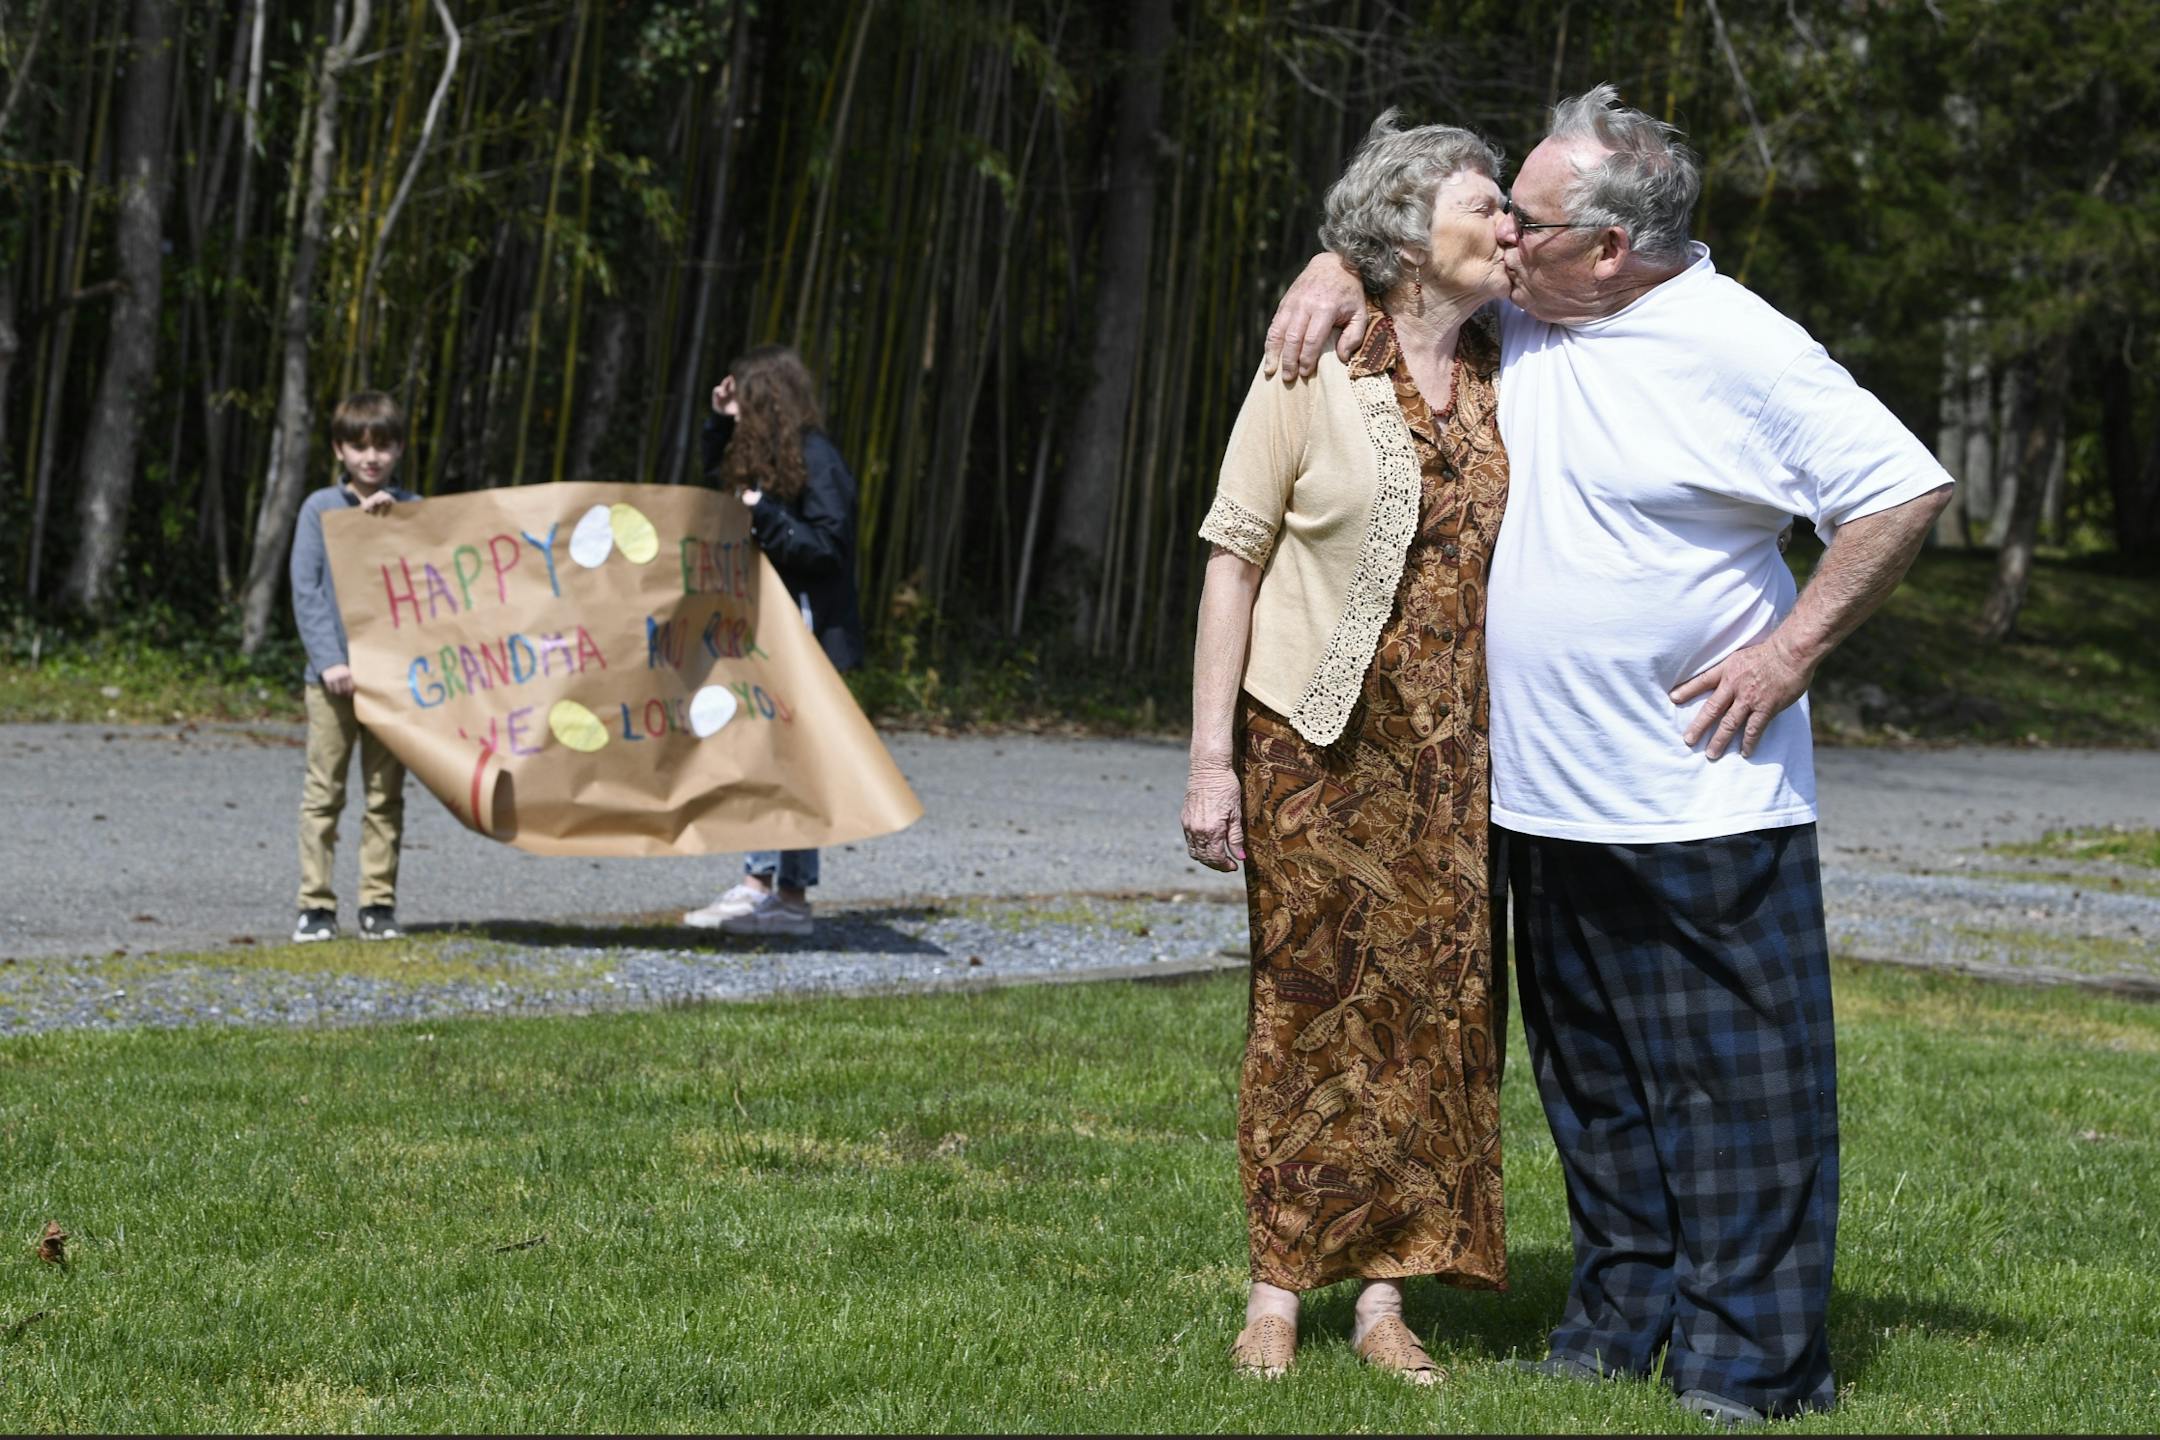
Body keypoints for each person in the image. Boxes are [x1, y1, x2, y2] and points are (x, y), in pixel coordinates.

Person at [1263, 85, 1954, 1424]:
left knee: (1743, 1099)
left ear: (1612, 248)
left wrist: (1790, 653)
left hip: (1699, 796)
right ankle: (1617, 1318)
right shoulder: (1530, 305)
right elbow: (1415, 260)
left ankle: (1752, 1365)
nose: (1504, 237)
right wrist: (1333, 261)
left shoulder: (1738, 345)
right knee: (1597, 1095)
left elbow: (1900, 486)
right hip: (1543, 800)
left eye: (1529, 218)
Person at [1181, 112, 1518, 1385]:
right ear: (1404, 232)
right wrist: (1209, 762)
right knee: (1308, 1014)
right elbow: (1233, 560)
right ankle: (1277, 1287)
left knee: (1436, 1022)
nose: (1508, 225)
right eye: (1483, 205)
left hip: (1461, 760)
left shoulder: (1509, 360)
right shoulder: (1307, 360)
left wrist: (1334, 256)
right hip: (1312, 746)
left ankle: (1385, 1297)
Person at [683, 344, 866, 938]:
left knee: (792, 765)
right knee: (760, 756)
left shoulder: (817, 459)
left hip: (807, 638)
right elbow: (719, 476)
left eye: (747, 403)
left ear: (771, 404)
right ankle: (762, 884)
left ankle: (786, 895)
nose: (741, 415)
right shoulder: (771, 457)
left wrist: (765, 515)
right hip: (762, 634)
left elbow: (827, 548)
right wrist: (718, 420)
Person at [290, 390, 420, 944]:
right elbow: (307, 589)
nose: (372, 458)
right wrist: (330, 662)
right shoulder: (321, 508)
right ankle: (315, 905)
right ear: (340, 449)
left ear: (398, 449)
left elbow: (426, 589)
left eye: (383, 446)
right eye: (359, 446)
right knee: (324, 792)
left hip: (391, 679)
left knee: (385, 795)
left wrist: (388, 526)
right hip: (332, 681)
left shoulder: (413, 508)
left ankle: (377, 902)